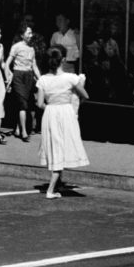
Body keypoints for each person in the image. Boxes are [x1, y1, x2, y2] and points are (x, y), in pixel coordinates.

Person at [35, 46, 90, 199]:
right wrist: (73, 103)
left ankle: (57, 182)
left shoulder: (43, 80)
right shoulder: (70, 78)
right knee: (61, 146)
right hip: (65, 112)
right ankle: (51, 190)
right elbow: (85, 94)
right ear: (63, 60)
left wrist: (51, 108)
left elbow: (39, 103)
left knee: (56, 146)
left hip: (50, 113)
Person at [7, 23, 41, 142]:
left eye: (31, 33)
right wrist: (9, 76)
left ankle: (17, 128)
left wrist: (40, 79)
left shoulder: (31, 49)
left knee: (23, 102)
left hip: (28, 76)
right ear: (22, 35)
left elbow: (34, 65)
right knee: (23, 104)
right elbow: (7, 63)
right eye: (28, 33)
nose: (31, 35)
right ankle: (24, 132)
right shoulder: (16, 46)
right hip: (18, 75)